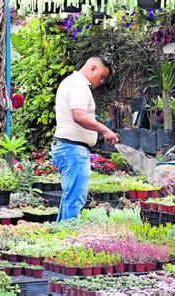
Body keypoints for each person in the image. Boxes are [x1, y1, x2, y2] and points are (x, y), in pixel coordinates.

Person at [51, 56, 119, 222]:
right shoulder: (79, 85)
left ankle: (60, 235)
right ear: (93, 68)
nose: (101, 81)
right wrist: (104, 130)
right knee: (75, 200)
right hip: (72, 150)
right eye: (102, 76)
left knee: (70, 198)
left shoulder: (72, 82)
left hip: (68, 148)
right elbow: (79, 115)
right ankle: (68, 240)